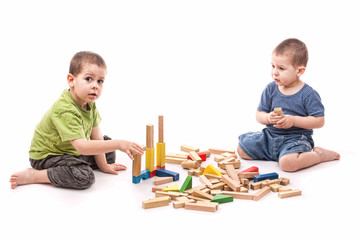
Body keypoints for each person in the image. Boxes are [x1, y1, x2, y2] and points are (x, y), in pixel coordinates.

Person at [10, 51, 144, 189]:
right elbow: (82, 147)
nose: (95, 86)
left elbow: (95, 133)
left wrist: (103, 165)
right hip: (48, 156)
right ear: (71, 80)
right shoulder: (64, 109)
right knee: (84, 177)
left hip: (71, 150)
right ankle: (35, 175)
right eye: (88, 79)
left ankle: (74, 166)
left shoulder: (89, 102)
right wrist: (119, 144)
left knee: (108, 151)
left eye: (100, 81)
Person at [237, 38, 340, 172]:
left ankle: (319, 156)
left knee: (287, 164)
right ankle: (273, 152)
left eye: (281, 68)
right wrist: (268, 118)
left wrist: (293, 120)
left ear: (299, 71)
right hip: (270, 136)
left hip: (295, 140)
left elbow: (319, 121)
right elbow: (259, 114)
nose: (275, 72)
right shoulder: (270, 89)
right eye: (273, 66)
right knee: (242, 150)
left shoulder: (308, 94)